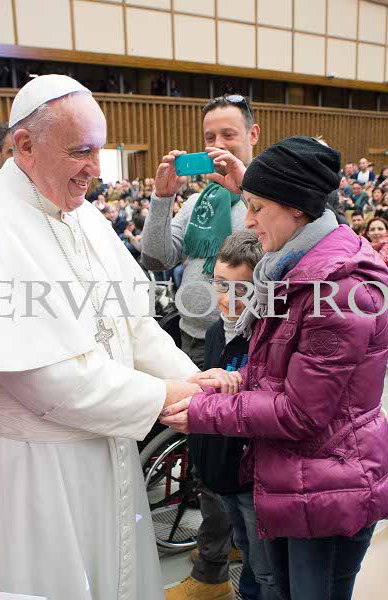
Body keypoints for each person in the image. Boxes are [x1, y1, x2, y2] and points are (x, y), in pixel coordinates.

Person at [0, 74, 229, 600]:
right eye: (81, 152)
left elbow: (135, 326)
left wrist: (196, 381)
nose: (96, 169)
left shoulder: (86, 217)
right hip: (42, 469)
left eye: (98, 150)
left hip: (113, 445)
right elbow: (49, 381)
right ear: (25, 145)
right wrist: (171, 397)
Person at [162, 136, 388, 600]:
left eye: (257, 207)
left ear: (297, 209)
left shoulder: (338, 288)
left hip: (329, 486)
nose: (247, 220)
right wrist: (229, 383)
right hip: (298, 477)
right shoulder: (296, 268)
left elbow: (303, 411)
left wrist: (205, 411)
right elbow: (282, 371)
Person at [142, 94, 260, 600]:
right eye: (209, 137)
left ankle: (212, 570)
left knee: (224, 453)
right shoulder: (200, 200)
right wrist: (162, 198)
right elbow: (156, 255)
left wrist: (247, 192)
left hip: (244, 342)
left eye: (228, 135)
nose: (216, 146)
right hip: (193, 338)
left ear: (252, 135)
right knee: (206, 452)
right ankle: (224, 546)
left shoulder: (264, 198)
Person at [188, 230, 274, 600]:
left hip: (252, 475)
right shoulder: (214, 334)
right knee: (242, 542)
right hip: (220, 470)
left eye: (242, 289)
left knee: (265, 568)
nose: (228, 298)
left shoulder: (266, 338)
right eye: (221, 284)